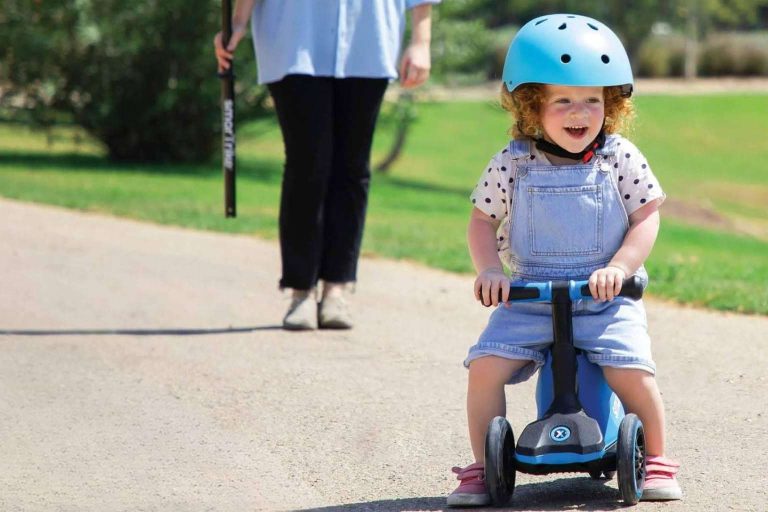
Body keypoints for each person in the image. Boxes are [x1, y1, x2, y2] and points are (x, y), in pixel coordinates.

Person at [447, 14, 682, 507]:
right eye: (563, 101)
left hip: (605, 297)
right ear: (532, 106)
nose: (581, 112)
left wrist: (621, 266)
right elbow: (480, 222)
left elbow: (647, 217)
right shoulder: (512, 162)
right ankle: (480, 467)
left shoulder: (619, 157)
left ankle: (657, 458)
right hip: (531, 295)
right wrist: (490, 270)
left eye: (593, 100)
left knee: (630, 369)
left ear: (611, 104)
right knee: (485, 367)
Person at [213, 0, 438, 330]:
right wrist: (238, 22)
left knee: (352, 166)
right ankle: (300, 290)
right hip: (293, 37)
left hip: (368, 37)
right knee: (308, 163)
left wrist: (421, 41)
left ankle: (336, 288)